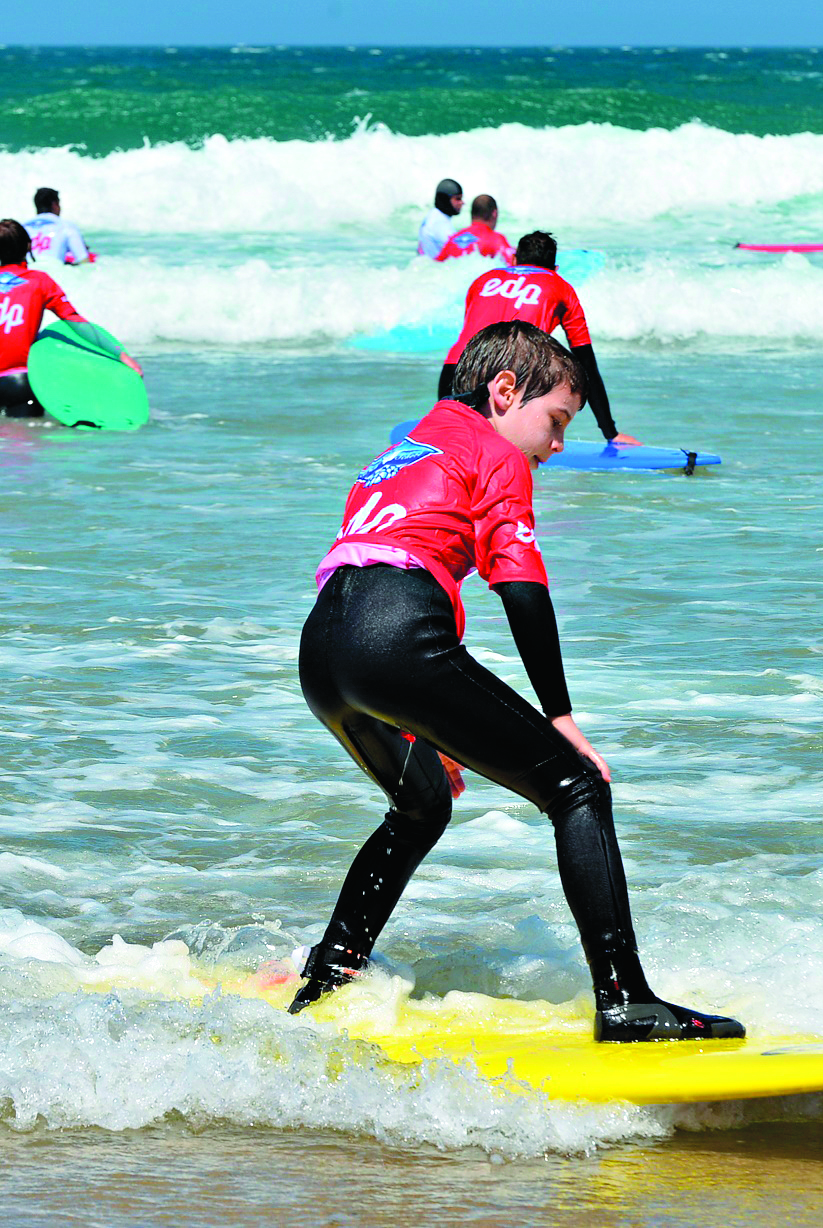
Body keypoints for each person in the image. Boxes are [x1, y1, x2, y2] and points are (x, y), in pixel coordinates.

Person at [289, 320, 745, 1044]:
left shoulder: (407, 444)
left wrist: (422, 714)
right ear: (505, 392)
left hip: (325, 648)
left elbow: (384, 564)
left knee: (420, 805)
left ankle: (331, 972)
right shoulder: (496, 452)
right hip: (396, 635)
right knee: (577, 786)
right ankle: (626, 1001)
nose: (558, 446)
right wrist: (559, 715)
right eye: (556, 421)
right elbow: (521, 584)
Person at [437, 231, 640, 446]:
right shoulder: (560, 286)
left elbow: (471, 337)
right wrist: (610, 432)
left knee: (459, 446)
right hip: (511, 381)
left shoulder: (483, 280)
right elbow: (586, 363)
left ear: (513, 260)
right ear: (555, 269)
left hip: (454, 375)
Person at [0, 219, 141, 416]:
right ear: (28, 246)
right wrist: (119, 354)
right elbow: (74, 321)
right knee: (24, 451)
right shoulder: (40, 281)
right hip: (22, 384)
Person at [23, 188, 94, 266]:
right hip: (54, 274)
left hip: (25, 274)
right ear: (55, 205)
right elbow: (83, 261)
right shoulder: (67, 226)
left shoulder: (22, 228)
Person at [435, 195, 516, 263]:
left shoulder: (453, 239)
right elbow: (513, 266)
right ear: (494, 214)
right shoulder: (496, 239)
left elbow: (437, 265)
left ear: (472, 213)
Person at [417, 178, 465, 258]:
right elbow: (460, 251)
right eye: (457, 199)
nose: (462, 202)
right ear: (445, 199)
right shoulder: (439, 223)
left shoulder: (433, 215)